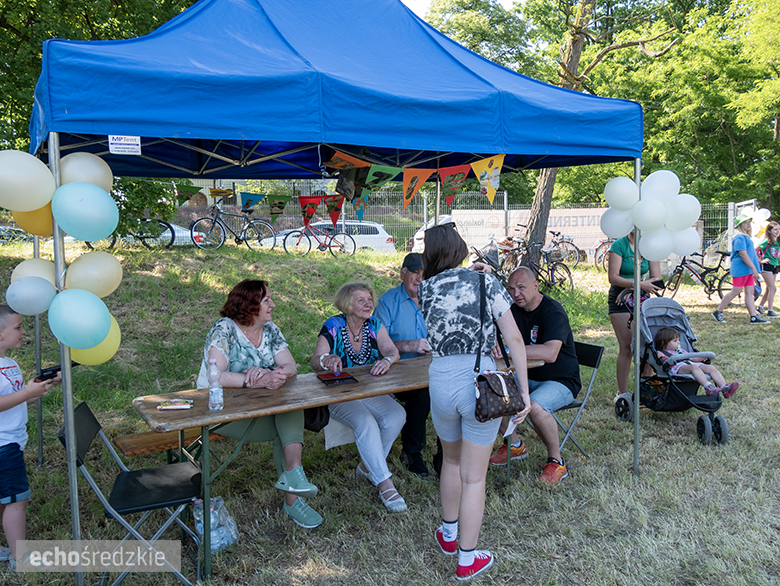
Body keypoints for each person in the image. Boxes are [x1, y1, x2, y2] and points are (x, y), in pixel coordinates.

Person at [418, 225, 531, 582]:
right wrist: (523, 392)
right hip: (478, 382)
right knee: (474, 477)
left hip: (440, 380)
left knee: (450, 460)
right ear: (460, 248)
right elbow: (512, 337)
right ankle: (467, 558)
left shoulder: (425, 288)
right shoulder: (485, 283)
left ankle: (448, 534)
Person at [197, 279, 322, 529]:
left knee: (289, 407)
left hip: (261, 410)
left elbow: (292, 366)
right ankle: (293, 496)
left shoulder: (271, 329)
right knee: (286, 423)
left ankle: (294, 486)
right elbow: (215, 376)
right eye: (267, 300)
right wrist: (249, 380)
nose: (273, 305)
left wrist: (276, 374)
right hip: (221, 412)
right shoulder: (224, 330)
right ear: (249, 304)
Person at [311, 282, 407, 512]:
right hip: (338, 392)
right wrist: (327, 360)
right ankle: (385, 483)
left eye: (369, 299)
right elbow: (315, 360)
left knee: (397, 414)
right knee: (365, 422)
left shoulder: (374, 324)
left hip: (367, 389)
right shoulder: (333, 325)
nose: (368, 304)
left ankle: (368, 467)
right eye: (361, 300)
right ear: (347, 303)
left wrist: (386, 360)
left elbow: (393, 351)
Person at [487, 267, 581, 486]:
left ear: (536, 286)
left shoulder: (553, 311)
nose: (516, 293)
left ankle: (556, 461)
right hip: (526, 375)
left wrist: (510, 349)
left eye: (521, 287)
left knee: (536, 407)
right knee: (491, 392)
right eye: (511, 289)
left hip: (561, 380)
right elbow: (496, 336)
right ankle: (515, 446)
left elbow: (550, 353)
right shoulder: (512, 310)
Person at [0, 306, 62, 571]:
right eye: (18, 327)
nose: (24, 332)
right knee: (17, 500)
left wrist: (40, 388)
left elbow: (18, 399)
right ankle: (20, 559)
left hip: (11, 442)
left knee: (4, 497)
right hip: (3, 446)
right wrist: (26, 394)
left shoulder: (10, 364)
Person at [374, 252, 442, 479]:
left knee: (448, 394)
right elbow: (375, 342)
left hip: (433, 369)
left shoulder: (436, 299)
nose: (420, 279)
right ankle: (411, 453)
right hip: (396, 372)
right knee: (422, 395)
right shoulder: (388, 301)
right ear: (403, 273)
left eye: (424, 274)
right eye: (415, 273)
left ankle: (445, 456)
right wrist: (408, 345)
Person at [608, 231, 663, 399]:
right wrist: (633, 286)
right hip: (620, 299)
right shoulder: (619, 245)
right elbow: (613, 277)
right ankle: (622, 393)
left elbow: (657, 278)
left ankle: (645, 390)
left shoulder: (650, 246)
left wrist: (633, 288)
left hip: (642, 296)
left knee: (648, 344)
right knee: (627, 348)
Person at [712, 214, 770, 324]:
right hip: (740, 269)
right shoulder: (739, 237)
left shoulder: (746, 237)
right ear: (739, 225)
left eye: (749, 222)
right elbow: (743, 254)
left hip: (747, 269)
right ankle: (718, 311)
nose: (748, 224)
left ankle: (753, 316)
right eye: (745, 222)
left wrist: (758, 262)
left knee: (750, 292)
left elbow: (750, 253)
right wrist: (754, 268)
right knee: (736, 290)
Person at [653, 327, 738, 398]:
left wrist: (703, 357)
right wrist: (659, 354)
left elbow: (692, 358)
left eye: (678, 340)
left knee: (710, 368)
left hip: (689, 363)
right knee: (694, 368)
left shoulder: (681, 351)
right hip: (677, 368)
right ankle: (708, 387)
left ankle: (724, 387)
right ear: (664, 343)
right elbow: (659, 357)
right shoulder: (662, 352)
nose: (679, 342)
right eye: (675, 340)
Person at [756, 220, 780, 318]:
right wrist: (760, 261)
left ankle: (760, 306)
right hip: (766, 266)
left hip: (774, 266)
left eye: (779, 229)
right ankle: (770, 310)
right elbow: (754, 249)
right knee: (773, 288)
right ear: (769, 231)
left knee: (769, 289)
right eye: (775, 229)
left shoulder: (777, 242)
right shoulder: (767, 240)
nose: (777, 231)